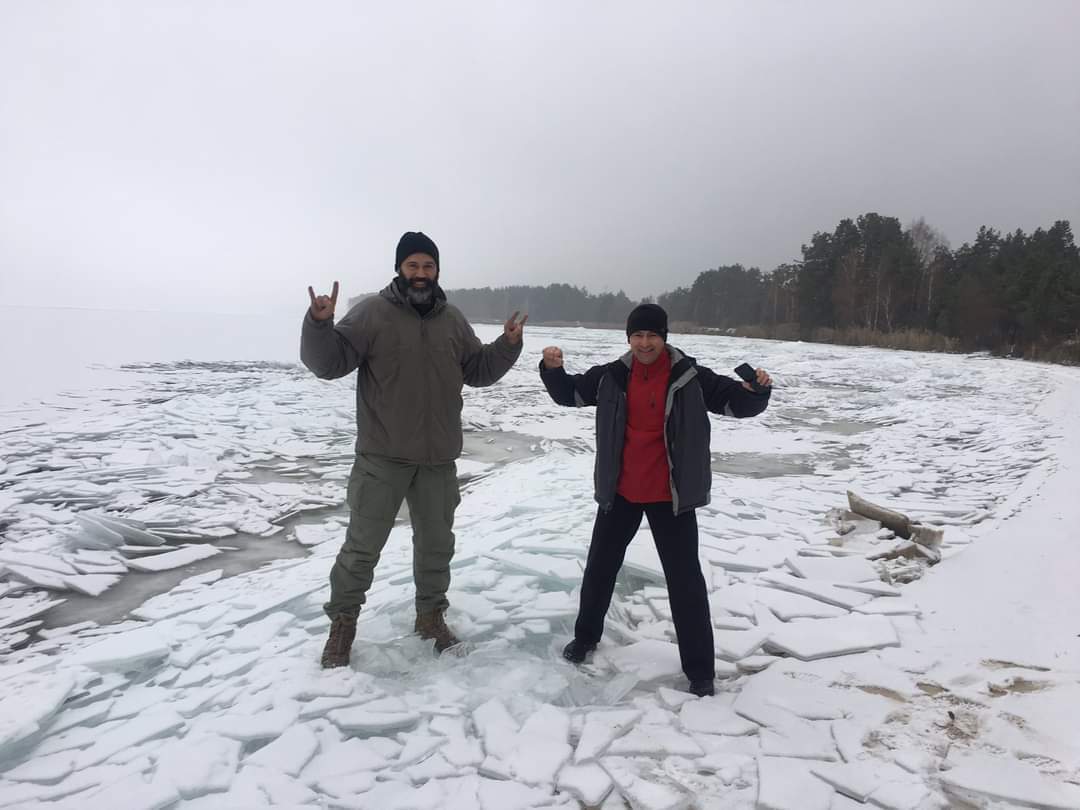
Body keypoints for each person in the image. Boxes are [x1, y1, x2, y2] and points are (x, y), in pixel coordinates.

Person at [302, 231, 527, 668]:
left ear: (437, 270)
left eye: (427, 266)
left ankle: (430, 617)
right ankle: (342, 626)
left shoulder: (453, 320)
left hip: (437, 458)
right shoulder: (372, 313)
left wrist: (507, 346)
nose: (420, 274)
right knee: (362, 547)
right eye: (413, 266)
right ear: (399, 269)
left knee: (436, 545)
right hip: (382, 454)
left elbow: (477, 370)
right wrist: (319, 325)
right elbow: (329, 364)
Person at [539, 303, 772, 696]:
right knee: (599, 570)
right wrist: (553, 370)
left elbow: (737, 402)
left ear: (664, 337)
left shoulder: (690, 376)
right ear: (629, 338)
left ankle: (700, 672)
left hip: (671, 496)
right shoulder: (611, 376)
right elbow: (570, 395)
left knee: (686, 584)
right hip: (621, 492)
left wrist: (757, 390)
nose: (645, 343)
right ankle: (585, 638)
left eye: (652, 335)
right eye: (638, 335)